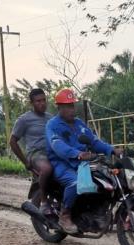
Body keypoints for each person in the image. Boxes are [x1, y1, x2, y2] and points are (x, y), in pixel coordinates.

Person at [46, 88, 122, 233]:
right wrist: (77, 154)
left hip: (82, 163)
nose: (71, 109)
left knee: (104, 179)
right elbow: (57, 146)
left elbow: (94, 141)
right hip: (61, 163)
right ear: (59, 107)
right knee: (76, 182)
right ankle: (65, 215)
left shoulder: (79, 123)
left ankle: (97, 212)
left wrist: (111, 149)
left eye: (72, 105)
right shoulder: (52, 125)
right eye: (67, 106)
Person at [10, 88, 54, 215]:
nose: (42, 103)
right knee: (46, 169)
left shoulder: (51, 119)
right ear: (31, 103)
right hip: (36, 154)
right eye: (38, 101)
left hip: (51, 153)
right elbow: (12, 141)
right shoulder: (24, 120)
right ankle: (44, 202)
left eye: (44, 100)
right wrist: (25, 162)